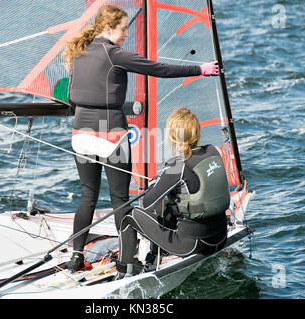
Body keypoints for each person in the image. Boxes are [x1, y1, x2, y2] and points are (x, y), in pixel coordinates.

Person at [61, 5, 219, 272]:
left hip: (80, 136)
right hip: (110, 138)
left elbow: (73, 97)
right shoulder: (114, 54)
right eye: (123, 29)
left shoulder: (78, 52)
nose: (126, 34)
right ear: (109, 28)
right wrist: (200, 69)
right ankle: (127, 261)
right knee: (119, 198)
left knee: (87, 195)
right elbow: (157, 69)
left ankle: (76, 256)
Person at [116, 108, 230, 278]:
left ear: (173, 137)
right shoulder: (213, 151)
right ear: (197, 131)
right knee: (171, 203)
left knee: (128, 216)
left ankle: (124, 271)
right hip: (220, 238)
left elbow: (147, 203)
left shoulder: (177, 165)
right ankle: (152, 259)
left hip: (193, 244)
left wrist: (155, 184)